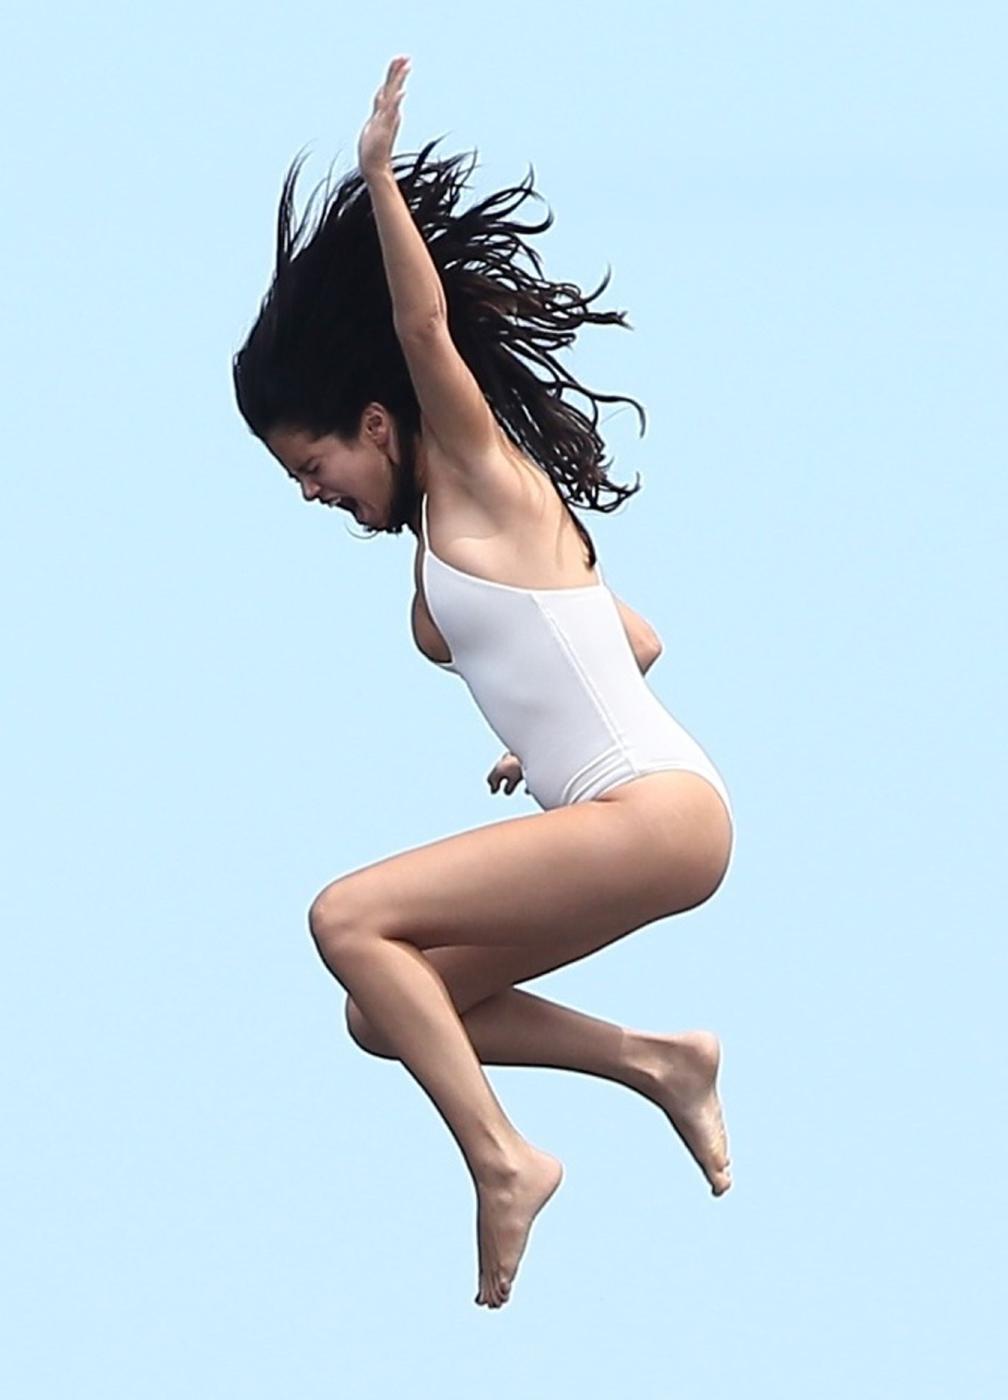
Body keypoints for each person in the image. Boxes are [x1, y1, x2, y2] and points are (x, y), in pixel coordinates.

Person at [232, 56, 736, 1311]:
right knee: (385, 1008)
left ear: (378, 422)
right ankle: (660, 1059)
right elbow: (636, 639)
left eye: (312, 464)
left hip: (654, 809)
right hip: (644, 808)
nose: (312, 492)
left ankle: (505, 1159)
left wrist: (379, 180)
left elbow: (422, 331)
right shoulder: (446, 542)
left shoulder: (476, 472)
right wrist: (541, 736)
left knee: (348, 919)